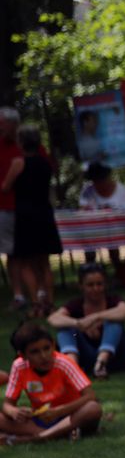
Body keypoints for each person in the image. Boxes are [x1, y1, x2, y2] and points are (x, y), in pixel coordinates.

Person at [3, 320, 101, 444]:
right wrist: (14, 412)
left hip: (71, 416)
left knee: (93, 408)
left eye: (47, 348)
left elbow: (90, 396)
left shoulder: (64, 363)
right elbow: (7, 405)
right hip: (42, 419)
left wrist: (60, 411)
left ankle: (37, 438)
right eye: (35, 352)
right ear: (22, 355)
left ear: (53, 345)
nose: (44, 356)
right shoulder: (19, 366)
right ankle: (55, 434)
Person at [4, 126, 61, 319]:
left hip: (25, 215)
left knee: (27, 262)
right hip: (44, 213)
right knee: (44, 262)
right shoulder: (45, 163)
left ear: (21, 142)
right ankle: (50, 303)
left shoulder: (19, 163)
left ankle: (36, 304)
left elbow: (5, 187)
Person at [49, 262, 125, 378]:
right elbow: (53, 319)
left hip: (117, 357)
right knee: (66, 327)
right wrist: (79, 324)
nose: (95, 289)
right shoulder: (76, 304)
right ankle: (71, 366)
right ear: (81, 286)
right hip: (88, 356)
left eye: (99, 284)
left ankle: (101, 364)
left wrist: (96, 317)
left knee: (113, 321)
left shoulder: (113, 300)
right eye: (90, 285)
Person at [0, 109, 22, 312]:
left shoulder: (26, 143)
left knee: (33, 251)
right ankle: (18, 294)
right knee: (11, 252)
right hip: (5, 207)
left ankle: (40, 294)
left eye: (2, 123)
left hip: (27, 208)